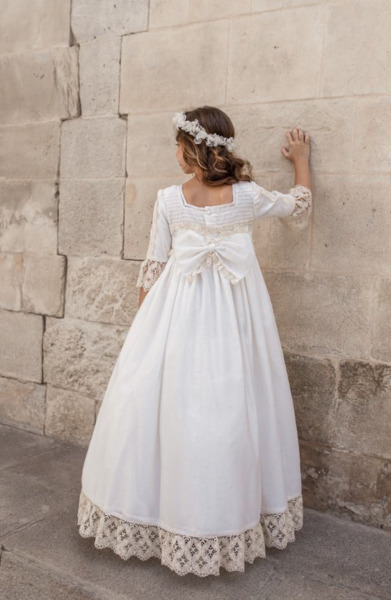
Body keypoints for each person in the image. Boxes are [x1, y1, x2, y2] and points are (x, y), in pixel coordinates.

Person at [77, 106, 312, 578]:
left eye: (178, 145)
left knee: (181, 409)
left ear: (193, 149)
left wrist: (143, 330)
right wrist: (302, 165)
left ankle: (200, 515)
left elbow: (153, 269)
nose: (175, 153)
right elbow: (298, 206)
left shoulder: (172, 200)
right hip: (233, 320)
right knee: (229, 408)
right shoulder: (244, 196)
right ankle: (192, 516)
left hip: (179, 316)